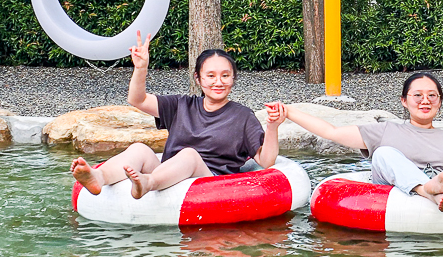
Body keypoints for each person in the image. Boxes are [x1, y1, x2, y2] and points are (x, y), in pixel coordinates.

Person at [267, 72, 443, 212]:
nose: (425, 101)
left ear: (439, 102)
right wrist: (290, 112)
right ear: (404, 101)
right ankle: (428, 190)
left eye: (432, 96)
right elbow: (331, 131)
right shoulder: (385, 131)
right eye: (417, 95)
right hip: (403, 185)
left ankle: (442, 182)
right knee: (384, 154)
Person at [70, 32, 284, 199]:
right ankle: (98, 177)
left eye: (225, 76)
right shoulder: (182, 105)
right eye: (210, 76)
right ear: (198, 79)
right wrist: (141, 67)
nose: (218, 82)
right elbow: (138, 100)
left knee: (190, 155)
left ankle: (148, 184)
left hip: (210, 182)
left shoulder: (242, 116)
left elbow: (266, 160)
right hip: (170, 173)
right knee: (140, 149)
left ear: (233, 79)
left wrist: (272, 126)